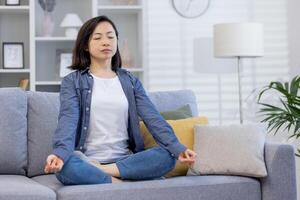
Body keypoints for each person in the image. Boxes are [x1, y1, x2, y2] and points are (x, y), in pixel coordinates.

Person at [44, 15, 197, 185]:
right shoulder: (72, 82)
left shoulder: (130, 81)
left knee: (168, 156)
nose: (106, 42)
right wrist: (60, 154)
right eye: (98, 37)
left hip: (125, 159)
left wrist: (178, 148)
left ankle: (103, 174)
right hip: (86, 158)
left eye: (111, 37)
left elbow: (153, 118)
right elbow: (68, 120)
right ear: (86, 45)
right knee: (66, 167)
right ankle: (121, 183)